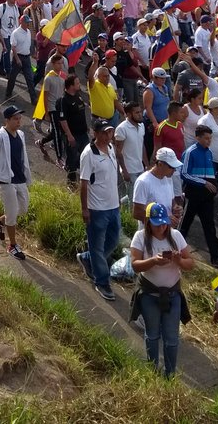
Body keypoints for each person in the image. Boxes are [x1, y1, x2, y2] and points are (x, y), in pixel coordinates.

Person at [130, 202, 194, 376]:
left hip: (172, 294)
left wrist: (178, 260)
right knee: (152, 335)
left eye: (164, 223)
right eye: (157, 224)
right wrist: (153, 261)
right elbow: (135, 265)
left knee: (172, 338)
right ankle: (152, 369)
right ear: (148, 222)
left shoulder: (176, 236)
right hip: (149, 294)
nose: (162, 228)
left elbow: (190, 263)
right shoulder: (140, 237)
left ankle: (170, 372)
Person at [77, 121, 121, 302]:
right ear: (94, 133)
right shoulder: (89, 155)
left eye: (109, 132)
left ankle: (88, 258)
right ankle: (102, 281)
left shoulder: (110, 147)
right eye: (104, 132)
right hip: (97, 210)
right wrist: (85, 209)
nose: (107, 135)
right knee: (97, 245)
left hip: (113, 206)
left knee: (113, 240)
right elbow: (84, 183)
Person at [0, 106, 32, 261]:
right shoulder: (0, 134)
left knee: (23, 209)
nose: (19, 121)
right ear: (7, 120)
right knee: (12, 214)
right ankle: (12, 245)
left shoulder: (21, 134)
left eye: (20, 118)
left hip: (20, 178)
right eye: (15, 119)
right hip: (6, 181)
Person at [179, 123, 218, 266]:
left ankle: (216, 257)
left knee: (209, 225)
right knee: (185, 223)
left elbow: (211, 175)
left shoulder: (209, 153)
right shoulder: (190, 152)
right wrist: (203, 183)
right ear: (197, 138)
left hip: (207, 196)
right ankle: (177, 250)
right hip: (193, 193)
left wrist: (213, 187)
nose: (208, 141)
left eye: (210, 138)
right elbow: (184, 173)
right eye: (206, 138)